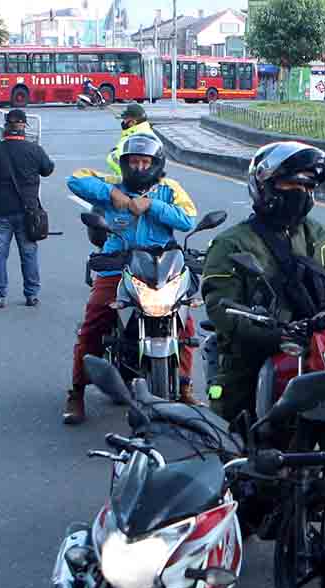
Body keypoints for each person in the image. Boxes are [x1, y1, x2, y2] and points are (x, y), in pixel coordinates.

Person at [201, 141, 325, 422]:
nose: (301, 194)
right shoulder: (230, 243)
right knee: (232, 439)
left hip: (317, 357)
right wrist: (276, 334)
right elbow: (220, 307)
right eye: (292, 185)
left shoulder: (320, 236)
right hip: (253, 359)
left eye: (309, 187)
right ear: (264, 185)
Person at [63, 134, 198, 424]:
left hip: (161, 264)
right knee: (93, 324)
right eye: (133, 162)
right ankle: (76, 393)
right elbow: (74, 179)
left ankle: (185, 386)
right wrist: (114, 196)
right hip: (118, 264)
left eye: (144, 162)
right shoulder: (113, 184)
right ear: (124, 164)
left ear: (155, 164)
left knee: (184, 322)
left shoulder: (168, 189)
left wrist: (152, 206)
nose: (138, 167)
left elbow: (189, 219)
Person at [0, 108, 54, 309]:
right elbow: (48, 169)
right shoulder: (34, 150)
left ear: (6, 126)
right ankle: (32, 295)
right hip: (28, 212)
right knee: (29, 253)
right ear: (24, 126)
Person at [106, 103, 154, 175]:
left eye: (125, 119)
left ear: (133, 122)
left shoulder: (137, 137)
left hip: (131, 182)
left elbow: (116, 160)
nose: (123, 121)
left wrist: (112, 154)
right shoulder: (142, 131)